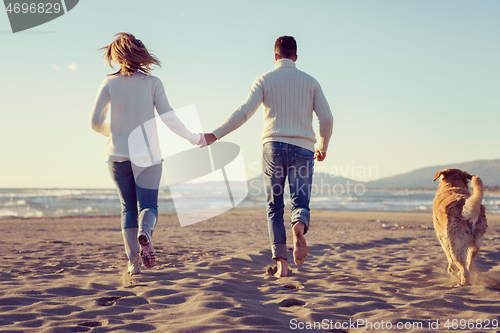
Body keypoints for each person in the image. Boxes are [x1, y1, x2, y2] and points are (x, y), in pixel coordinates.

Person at [201, 36, 333, 278]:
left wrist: (215, 134)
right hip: (303, 149)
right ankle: (298, 226)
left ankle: (282, 264)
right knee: (300, 203)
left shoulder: (264, 79)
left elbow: (244, 111)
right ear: (295, 57)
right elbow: (327, 118)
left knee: (274, 206)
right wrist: (322, 145)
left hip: (272, 147)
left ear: (275, 57)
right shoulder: (311, 82)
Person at [90, 33, 201, 275]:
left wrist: (114, 132)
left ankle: (133, 264)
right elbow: (168, 117)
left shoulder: (108, 84)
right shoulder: (153, 83)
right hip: (148, 155)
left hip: (116, 156)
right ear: (140, 54)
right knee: (148, 205)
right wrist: (193, 137)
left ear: (116, 55)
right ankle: (145, 232)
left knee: (127, 208)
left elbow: (95, 122)